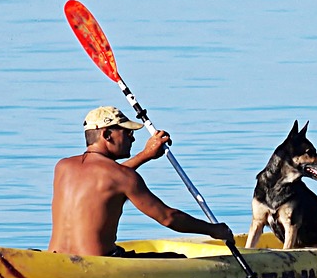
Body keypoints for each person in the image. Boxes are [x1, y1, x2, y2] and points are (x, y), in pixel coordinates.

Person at [48, 105, 234, 257]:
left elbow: (105, 179)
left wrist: (145, 155)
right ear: (107, 135)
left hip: (56, 260)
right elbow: (168, 218)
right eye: (127, 132)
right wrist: (213, 230)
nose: (133, 138)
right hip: (99, 265)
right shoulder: (122, 177)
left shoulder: (63, 167)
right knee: (178, 259)